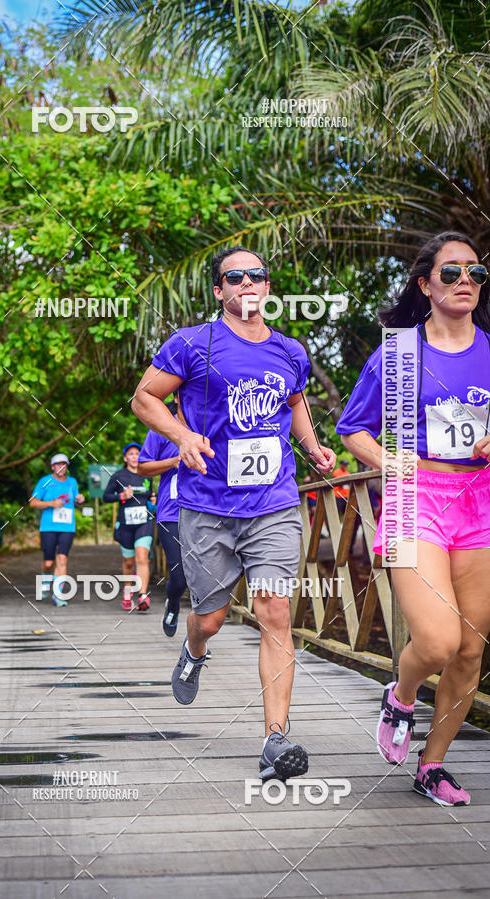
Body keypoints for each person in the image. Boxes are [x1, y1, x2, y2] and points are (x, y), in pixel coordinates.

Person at [131, 245, 336, 781]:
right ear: (220, 291)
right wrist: (182, 435)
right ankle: (194, 650)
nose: (247, 282)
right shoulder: (193, 343)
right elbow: (144, 399)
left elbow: (294, 402)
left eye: (257, 275)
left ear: (267, 287)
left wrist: (313, 448)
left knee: (274, 612)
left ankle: (275, 740)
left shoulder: (290, 350)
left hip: (273, 503)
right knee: (213, 618)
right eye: (234, 277)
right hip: (207, 507)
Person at [336, 231, 490, 806]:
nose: (466, 282)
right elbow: (352, 429)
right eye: (451, 273)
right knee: (438, 638)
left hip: (480, 502)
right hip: (414, 498)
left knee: (472, 649)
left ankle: (433, 765)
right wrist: (394, 464)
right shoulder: (400, 354)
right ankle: (401, 694)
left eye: (475, 272)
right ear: (425, 284)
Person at [137, 395, 187, 637]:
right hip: (172, 513)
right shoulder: (161, 429)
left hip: (208, 511)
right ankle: (173, 603)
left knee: (206, 576)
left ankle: (199, 636)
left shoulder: (209, 423)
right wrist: (173, 462)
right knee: (179, 576)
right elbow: (142, 467)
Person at [103, 443, 156, 611]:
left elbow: (150, 495)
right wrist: (122, 495)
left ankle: (142, 595)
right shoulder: (119, 476)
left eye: (137, 454)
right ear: (125, 458)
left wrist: (152, 501)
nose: (134, 457)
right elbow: (106, 496)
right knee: (128, 562)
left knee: (142, 556)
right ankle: (127, 592)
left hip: (144, 521)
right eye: (131, 454)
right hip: (125, 524)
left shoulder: (146, 475)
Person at [30, 453, 85, 607]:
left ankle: (59, 595)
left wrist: (80, 499)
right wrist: (51, 503)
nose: (60, 467)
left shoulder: (72, 482)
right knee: (48, 563)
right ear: (53, 467)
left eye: (64, 465)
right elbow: (33, 503)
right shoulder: (45, 481)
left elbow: (75, 500)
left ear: (66, 467)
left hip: (67, 526)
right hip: (48, 527)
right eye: (57, 464)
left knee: (62, 559)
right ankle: (45, 581)